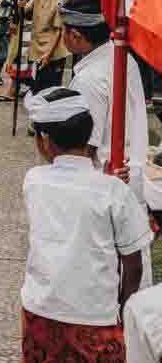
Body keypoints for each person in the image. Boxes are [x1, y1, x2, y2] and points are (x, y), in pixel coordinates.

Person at [20, 87, 151, 363]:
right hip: (96, 317)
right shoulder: (113, 191)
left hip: (41, 310)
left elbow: (76, 198)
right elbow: (133, 263)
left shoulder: (34, 180)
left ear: (45, 139)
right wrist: (123, 310)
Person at [61, 0, 153, 288]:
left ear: (75, 35)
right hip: (129, 175)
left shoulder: (89, 80)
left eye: (63, 29)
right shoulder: (121, 58)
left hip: (103, 184)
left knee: (105, 278)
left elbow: (83, 147)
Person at [15, 0, 67, 94]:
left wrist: (48, 54)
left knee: (50, 89)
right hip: (36, 49)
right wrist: (20, 6)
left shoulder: (61, 1)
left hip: (53, 51)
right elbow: (25, 15)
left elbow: (58, 30)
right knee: (37, 87)